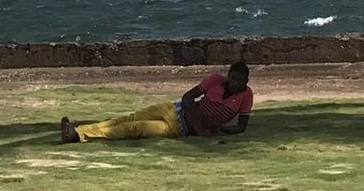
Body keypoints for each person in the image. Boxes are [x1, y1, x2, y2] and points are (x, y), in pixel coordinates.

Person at [60, 61, 253, 143]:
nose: (235, 82)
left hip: (180, 128)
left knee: (135, 128)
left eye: (239, 80)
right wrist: (201, 116)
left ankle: (78, 135)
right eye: (232, 77)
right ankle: (79, 129)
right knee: (126, 118)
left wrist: (219, 129)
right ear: (228, 75)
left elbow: (241, 126)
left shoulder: (246, 95)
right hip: (174, 109)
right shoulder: (215, 80)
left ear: (246, 81)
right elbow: (188, 97)